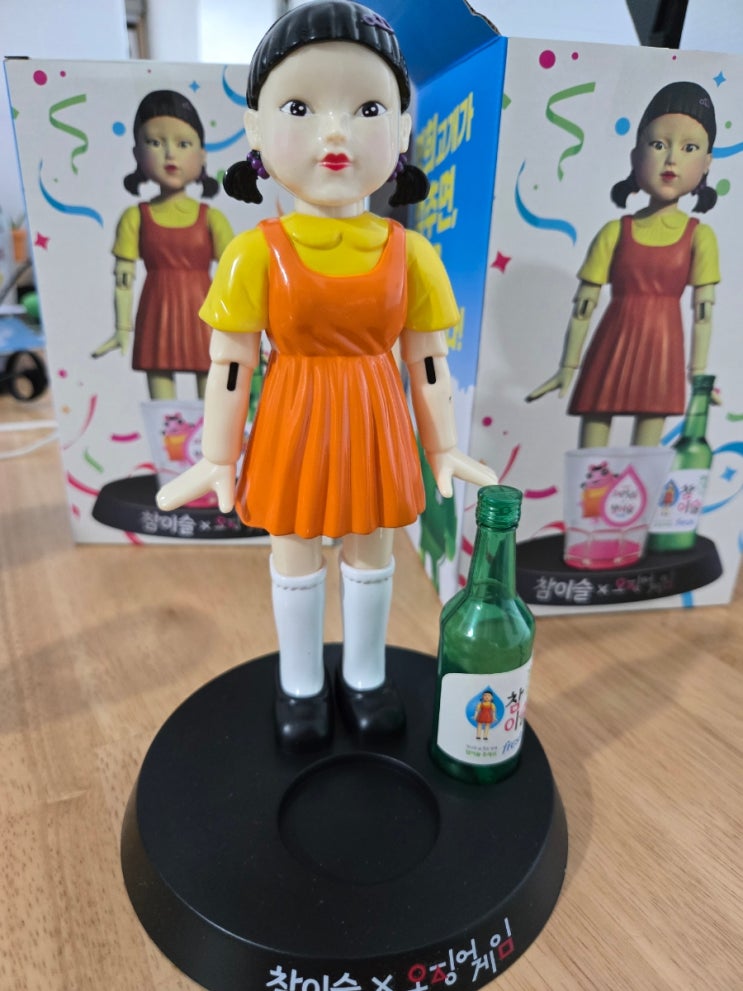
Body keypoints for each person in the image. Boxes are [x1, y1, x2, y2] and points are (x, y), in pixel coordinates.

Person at [156, 1, 497, 751]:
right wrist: (217, 456)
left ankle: (366, 676)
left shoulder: (412, 255)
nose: (335, 132)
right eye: (301, 107)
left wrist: (442, 447)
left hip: (376, 420)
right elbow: (230, 365)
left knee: (373, 547)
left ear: (402, 128)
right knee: (295, 549)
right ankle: (302, 682)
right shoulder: (253, 253)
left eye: (367, 108)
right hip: (293, 417)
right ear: (254, 128)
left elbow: (428, 360)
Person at [527, 81, 720, 448]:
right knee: (591, 452)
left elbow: (703, 313)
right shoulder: (614, 232)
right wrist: (568, 366)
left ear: (707, 162)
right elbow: (584, 306)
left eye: (689, 147)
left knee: (645, 457)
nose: (672, 160)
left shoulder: (700, 237)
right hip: (612, 343)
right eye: (658, 144)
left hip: (664, 349)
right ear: (635, 155)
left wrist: (699, 374)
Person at [92, 90, 234, 400]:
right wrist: (122, 328)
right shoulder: (135, 217)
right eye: (155, 142)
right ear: (137, 154)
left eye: (183, 144)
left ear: (202, 155)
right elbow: (123, 279)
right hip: (156, 315)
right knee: (162, 409)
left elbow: (236, 281)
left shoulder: (213, 218)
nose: (170, 154)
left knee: (212, 403)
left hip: (204, 315)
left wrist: (244, 332)